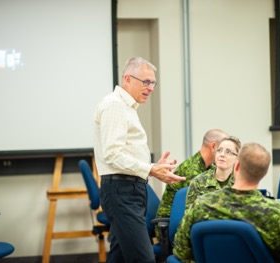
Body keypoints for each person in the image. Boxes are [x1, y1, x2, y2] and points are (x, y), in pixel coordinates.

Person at [93, 57, 186, 263]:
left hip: (129, 189)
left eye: (153, 83)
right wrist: (151, 170)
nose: (151, 88)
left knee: (119, 256)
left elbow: (124, 153)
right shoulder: (115, 105)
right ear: (127, 78)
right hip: (121, 191)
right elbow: (112, 154)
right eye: (145, 82)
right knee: (143, 259)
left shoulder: (128, 107)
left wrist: (153, 167)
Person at [173, 142, 280, 263]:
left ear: (237, 166)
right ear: (264, 173)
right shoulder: (277, 213)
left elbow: (181, 251)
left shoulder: (201, 205)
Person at [154, 129, 228, 239]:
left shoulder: (208, 167)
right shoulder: (192, 171)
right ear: (213, 147)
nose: (225, 155)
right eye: (223, 149)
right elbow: (202, 208)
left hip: (187, 222)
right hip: (170, 227)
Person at [185, 135, 241, 208]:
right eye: (219, 150)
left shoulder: (241, 183)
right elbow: (189, 216)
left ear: (237, 158)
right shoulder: (198, 183)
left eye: (228, 152)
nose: (222, 154)